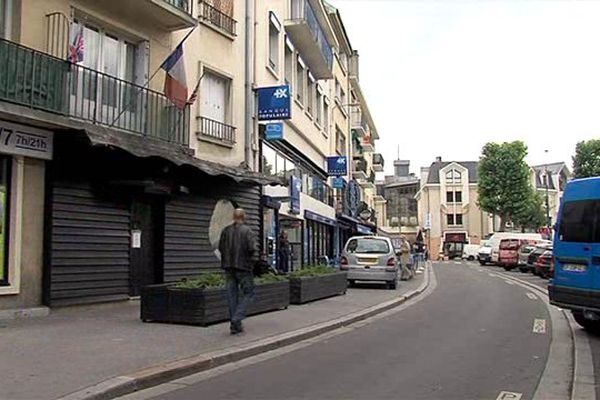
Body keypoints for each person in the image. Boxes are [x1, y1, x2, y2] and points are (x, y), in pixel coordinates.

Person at [219, 208, 259, 335]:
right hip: (243, 267)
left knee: (232, 296)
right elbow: (252, 248)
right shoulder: (247, 231)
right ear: (244, 217)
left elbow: (220, 247)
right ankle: (237, 318)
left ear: (234, 217)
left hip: (228, 267)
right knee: (250, 293)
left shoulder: (226, 231)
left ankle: (235, 326)